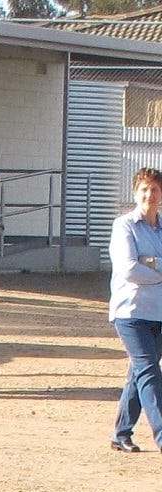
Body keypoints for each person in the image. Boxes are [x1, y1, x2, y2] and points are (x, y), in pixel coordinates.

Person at [108, 167, 162, 453]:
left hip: (159, 312)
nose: (149, 194)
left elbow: (143, 267)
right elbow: (129, 269)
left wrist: (151, 263)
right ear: (134, 192)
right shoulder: (124, 226)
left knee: (139, 373)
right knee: (149, 372)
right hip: (131, 313)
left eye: (154, 189)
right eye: (144, 189)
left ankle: (121, 432)